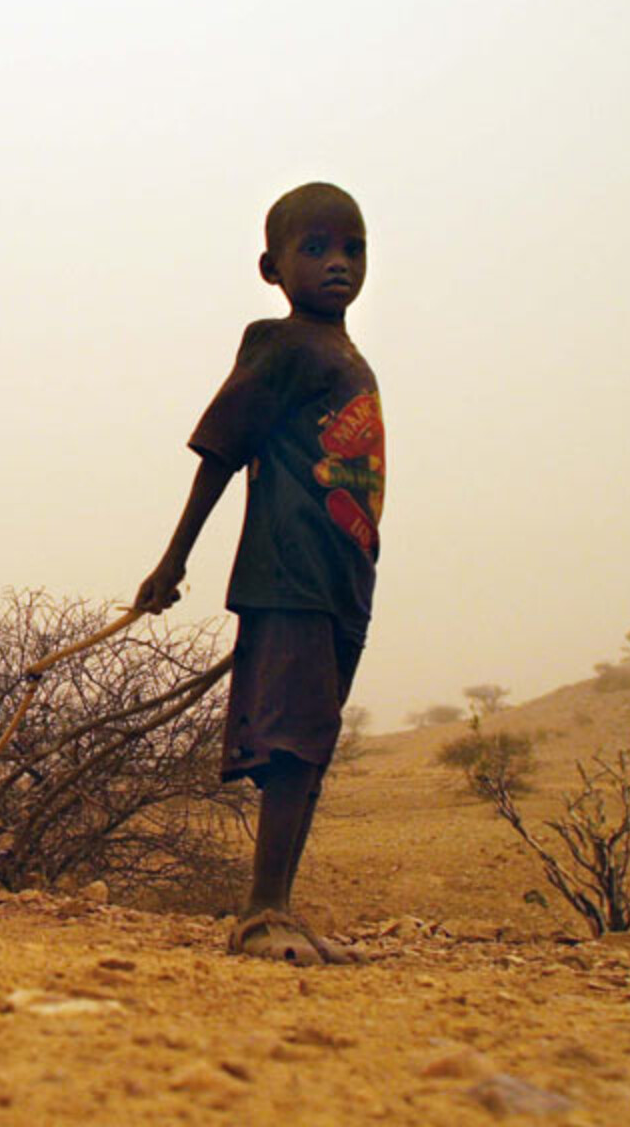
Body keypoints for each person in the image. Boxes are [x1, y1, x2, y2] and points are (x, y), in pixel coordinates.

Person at [135, 182, 384, 964]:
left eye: (353, 248)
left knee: (313, 742)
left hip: (344, 579)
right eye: (315, 249)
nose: (338, 264)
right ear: (271, 267)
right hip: (288, 573)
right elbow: (221, 452)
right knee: (289, 740)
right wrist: (173, 560)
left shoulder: (349, 356)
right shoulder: (280, 346)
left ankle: (280, 908)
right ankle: (260, 912)